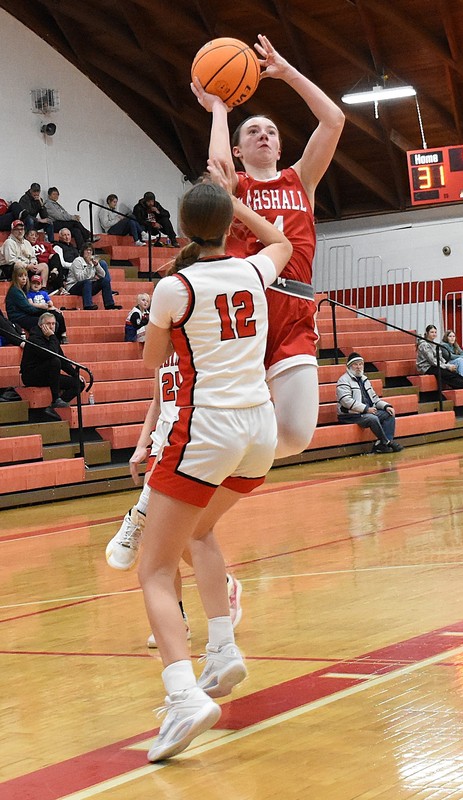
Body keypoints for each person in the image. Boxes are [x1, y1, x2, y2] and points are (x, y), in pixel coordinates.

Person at [137, 168, 292, 761]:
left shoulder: (174, 288)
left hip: (207, 428)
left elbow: (153, 361)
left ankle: (183, 696)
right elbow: (280, 241)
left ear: (181, 228)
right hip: (259, 428)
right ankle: (222, 650)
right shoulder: (253, 269)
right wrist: (236, 204)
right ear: (229, 225)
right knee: (198, 533)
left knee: (154, 570)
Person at [192, 33, 345, 459]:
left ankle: (224, 462)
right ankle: (210, 466)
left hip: (294, 310)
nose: (264, 135)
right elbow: (218, 168)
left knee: (296, 436)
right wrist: (219, 108)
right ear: (239, 150)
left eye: (271, 131)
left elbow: (334, 120)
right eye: (253, 131)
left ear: (280, 146)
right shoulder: (233, 185)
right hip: (245, 308)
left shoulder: (302, 179)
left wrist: (287, 72)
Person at [104, 352, 243, 646]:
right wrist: (141, 445)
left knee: (178, 538)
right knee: (159, 540)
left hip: (190, 444)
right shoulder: (161, 351)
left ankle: (221, 582)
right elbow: (157, 402)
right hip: (161, 446)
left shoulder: (198, 344)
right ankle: (178, 617)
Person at [336, 352, 403, 453]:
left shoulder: (365, 379)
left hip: (366, 412)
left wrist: (386, 406)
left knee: (389, 414)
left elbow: (374, 398)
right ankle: (387, 442)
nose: (358, 367)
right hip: (350, 415)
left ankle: (382, 445)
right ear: (349, 366)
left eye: (360, 364)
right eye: (355, 364)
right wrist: (366, 409)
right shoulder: (343, 380)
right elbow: (346, 401)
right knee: (372, 418)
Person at [20, 312, 83, 411]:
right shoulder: (34, 338)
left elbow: (62, 359)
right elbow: (51, 354)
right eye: (48, 324)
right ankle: (55, 399)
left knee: (79, 383)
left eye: (53, 324)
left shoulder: (52, 338)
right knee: (54, 361)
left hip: (49, 374)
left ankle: (57, 405)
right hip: (32, 375)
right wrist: (52, 337)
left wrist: (75, 374)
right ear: (41, 326)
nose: (51, 326)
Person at [417, 324, 463, 394]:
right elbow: (433, 361)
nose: (434, 334)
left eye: (435, 332)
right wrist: (447, 366)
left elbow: (440, 358)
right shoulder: (424, 345)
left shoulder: (434, 344)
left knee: (454, 373)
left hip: (436, 365)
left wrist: (447, 365)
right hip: (427, 367)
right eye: (431, 332)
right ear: (427, 333)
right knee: (448, 374)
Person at [5, 265, 66, 339]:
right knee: (47, 321)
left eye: (25, 276)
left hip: (27, 314)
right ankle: (51, 341)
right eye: (20, 276)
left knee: (56, 315)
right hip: (19, 318)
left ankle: (61, 337)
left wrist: (52, 309)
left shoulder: (23, 290)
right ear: (15, 278)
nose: (24, 278)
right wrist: (46, 309)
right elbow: (29, 308)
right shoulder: (15, 291)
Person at [65, 242, 122, 311]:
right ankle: (88, 305)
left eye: (90, 250)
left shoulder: (92, 261)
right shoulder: (78, 261)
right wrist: (89, 266)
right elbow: (80, 278)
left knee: (105, 281)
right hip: (73, 286)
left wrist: (96, 265)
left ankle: (109, 305)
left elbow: (103, 275)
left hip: (88, 286)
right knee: (87, 282)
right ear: (83, 251)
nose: (88, 252)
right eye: (87, 250)